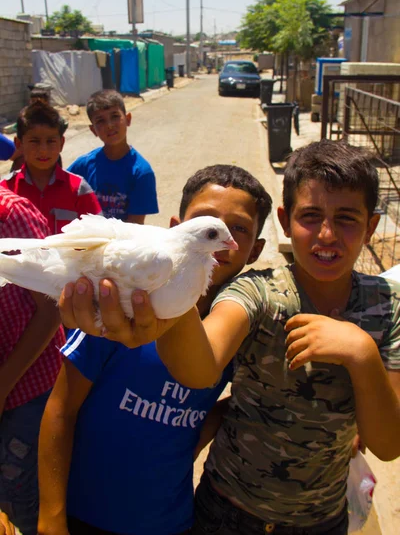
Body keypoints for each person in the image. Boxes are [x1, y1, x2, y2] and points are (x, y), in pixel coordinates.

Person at [60, 140, 400, 534]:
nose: (327, 234)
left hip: (321, 520)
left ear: (371, 226)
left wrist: (361, 353)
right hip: (226, 514)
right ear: (286, 221)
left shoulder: (387, 306)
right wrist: (170, 306)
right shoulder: (257, 293)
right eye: (311, 216)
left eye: (346, 218)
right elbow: (200, 369)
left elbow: (388, 445)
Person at [37, 165, 271, 535]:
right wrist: (51, 514)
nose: (225, 239)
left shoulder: (235, 325)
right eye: (206, 223)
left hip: (169, 518)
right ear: (176, 227)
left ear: (253, 249)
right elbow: (61, 408)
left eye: (239, 229)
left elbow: (223, 406)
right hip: (85, 512)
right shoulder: (124, 306)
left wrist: (183, 450)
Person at [0, 187, 64, 535]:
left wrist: (3, 386)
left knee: (17, 501)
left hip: (30, 388)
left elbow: (52, 307)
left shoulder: (12, 216)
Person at [0, 100, 102, 234]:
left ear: (62, 143)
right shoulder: (6, 191)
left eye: (50, 141)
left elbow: (100, 236)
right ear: (19, 144)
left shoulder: (79, 190)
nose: (43, 150)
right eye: (34, 141)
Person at [67, 90, 158, 224]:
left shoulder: (141, 172)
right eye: (101, 121)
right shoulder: (83, 166)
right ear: (93, 130)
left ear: (128, 119)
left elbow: (135, 226)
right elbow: (58, 188)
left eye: (115, 116)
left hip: (122, 243)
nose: (109, 125)